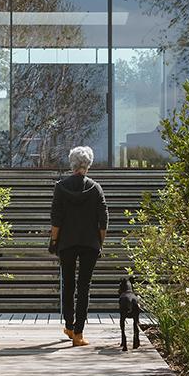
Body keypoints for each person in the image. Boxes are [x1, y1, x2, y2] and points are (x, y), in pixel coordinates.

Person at [50, 145, 108, 347]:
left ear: (72, 164)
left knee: (68, 284)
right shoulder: (96, 188)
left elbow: (56, 219)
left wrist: (54, 240)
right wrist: (100, 242)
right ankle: (79, 334)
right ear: (88, 165)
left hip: (66, 243)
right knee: (84, 286)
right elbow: (103, 220)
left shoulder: (60, 187)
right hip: (89, 244)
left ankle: (68, 325)